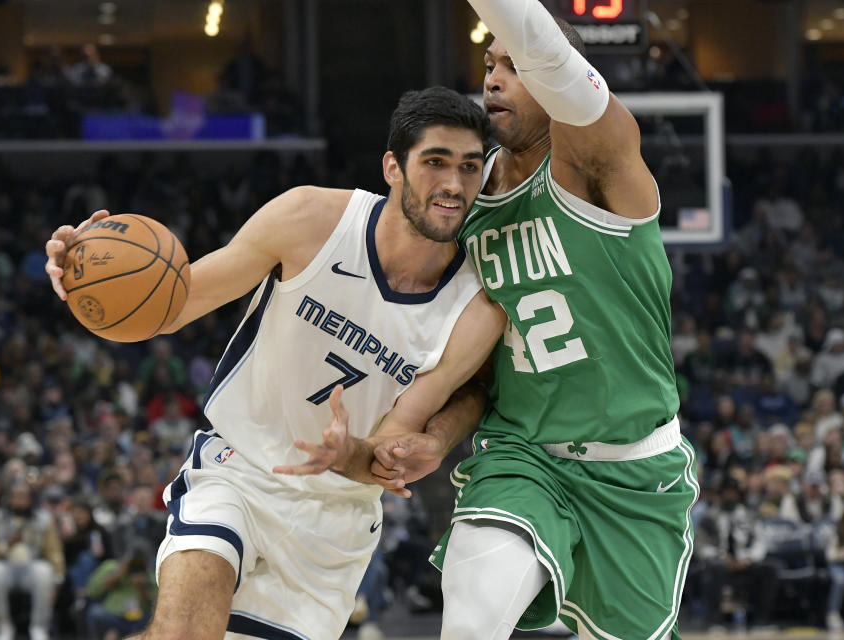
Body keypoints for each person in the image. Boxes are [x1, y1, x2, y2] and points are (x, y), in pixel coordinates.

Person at [44, 87, 507, 640]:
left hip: (333, 524)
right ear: (393, 167)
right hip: (239, 469)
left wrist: (351, 452)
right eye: (435, 162)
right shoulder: (311, 218)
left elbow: (391, 450)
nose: (453, 185)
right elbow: (173, 306)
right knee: (184, 631)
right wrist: (85, 284)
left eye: (469, 168)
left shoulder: (476, 306)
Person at [366, 2, 698, 637]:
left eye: (512, 66)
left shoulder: (601, 165)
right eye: (489, 64)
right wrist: (434, 436)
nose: (492, 78)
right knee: (473, 609)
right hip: (521, 455)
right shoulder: (467, 200)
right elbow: (477, 365)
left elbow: (552, 54)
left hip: (633, 467)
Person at [0, 482, 65, 640]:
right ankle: (3, 627)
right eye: (16, 496)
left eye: (24, 497)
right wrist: (6, 545)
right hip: (6, 565)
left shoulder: (44, 519)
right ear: (9, 498)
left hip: (31, 567)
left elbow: (54, 552)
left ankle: (39, 628)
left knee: (45, 571)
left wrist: (58, 579)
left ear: (31, 499)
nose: (20, 501)